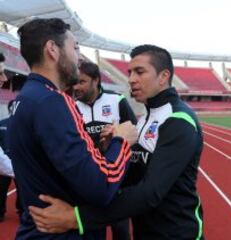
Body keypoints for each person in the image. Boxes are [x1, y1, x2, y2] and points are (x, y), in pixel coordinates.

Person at [29, 44, 205, 240]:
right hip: (145, 230)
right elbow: (135, 175)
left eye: (139, 72)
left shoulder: (178, 120)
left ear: (163, 76)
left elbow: (150, 193)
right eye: (130, 73)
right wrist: (112, 149)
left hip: (176, 233)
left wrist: (76, 217)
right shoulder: (146, 118)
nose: (131, 80)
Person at [6, 18, 137, 239]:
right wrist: (121, 142)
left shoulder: (25, 98)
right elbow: (101, 186)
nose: (79, 57)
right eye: (75, 48)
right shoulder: (53, 101)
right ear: (52, 50)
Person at [74, 61, 137, 240]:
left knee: (121, 230)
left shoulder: (117, 100)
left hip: (117, 179)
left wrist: (115, 140)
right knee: (91, 230)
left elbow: (133, 133)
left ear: (96, 80)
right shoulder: (73, 106)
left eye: (82, 82)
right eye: (75, 82)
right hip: (88, 179)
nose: (76, 87)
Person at [0, 100, 23, 222]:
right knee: (1, 189)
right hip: (3, 163)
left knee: (22, 189)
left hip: (19, 161)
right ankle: (0, 212)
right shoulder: (1, 124)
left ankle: (22, 211)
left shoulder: (23, 126)